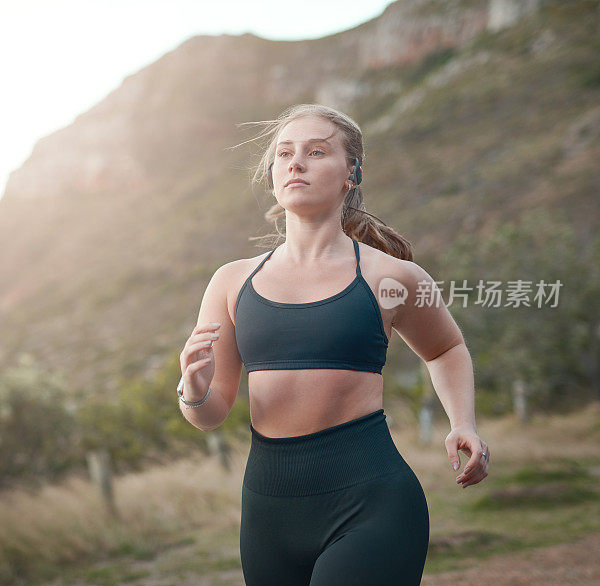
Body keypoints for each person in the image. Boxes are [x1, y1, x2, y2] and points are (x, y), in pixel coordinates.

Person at [177, 104, 489, 585]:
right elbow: (210, 414)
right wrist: (194, 388)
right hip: (268, 516)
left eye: (315, 151)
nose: (295, 162)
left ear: (352, 174)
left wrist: (462, 422)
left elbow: (445, 350)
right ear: (274, 175)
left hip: (372, 503)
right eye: (284, 154)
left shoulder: (392, 276)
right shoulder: (231, 282)